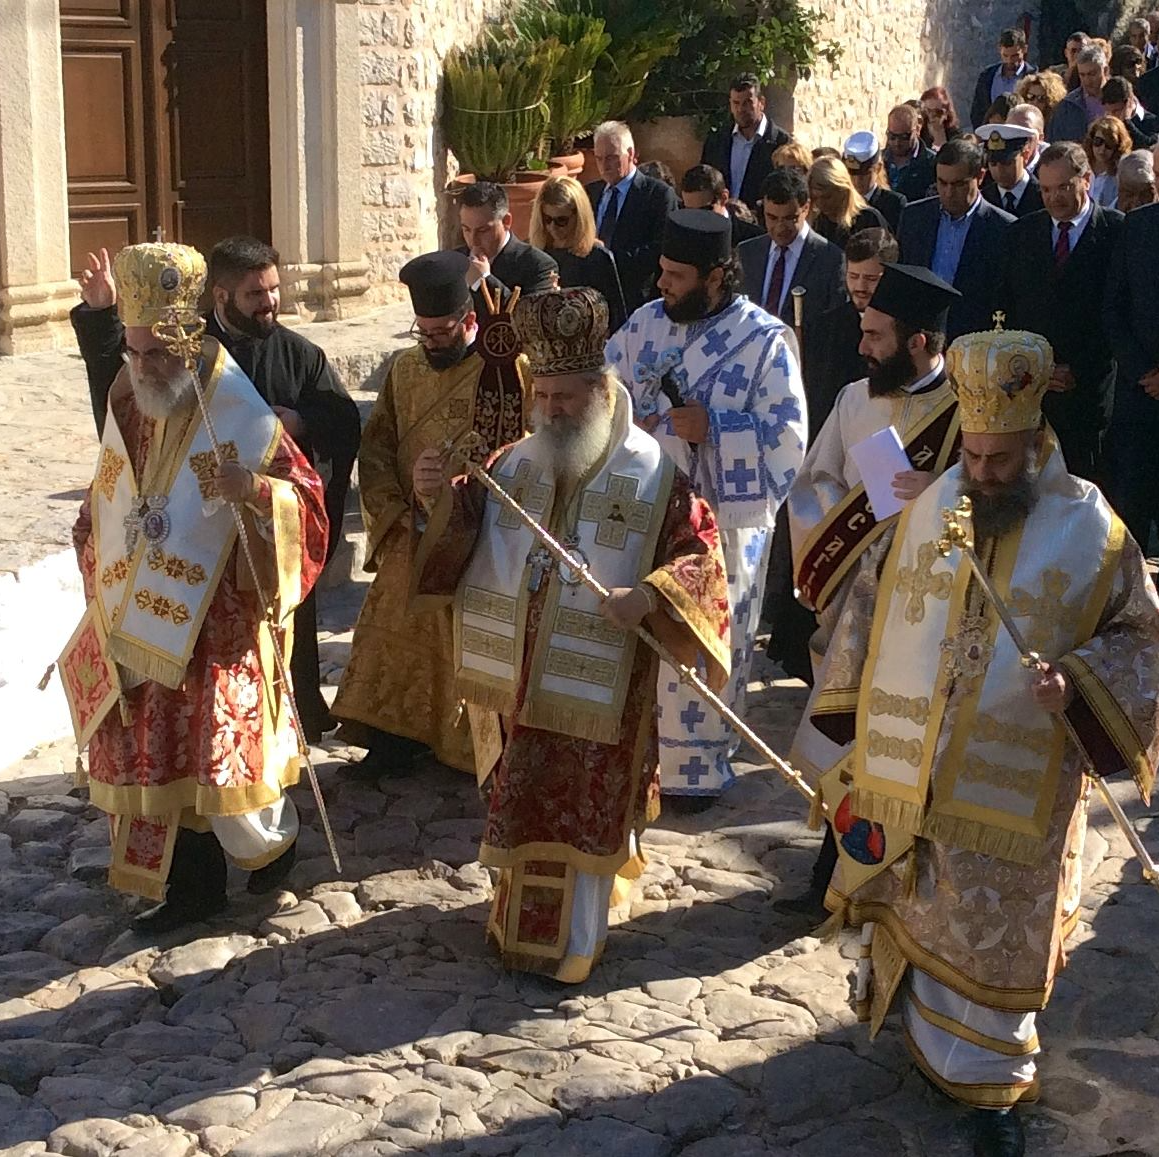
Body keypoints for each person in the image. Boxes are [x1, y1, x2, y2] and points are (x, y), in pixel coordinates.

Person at [808, 324, 1159, 1157]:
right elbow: (870, 599)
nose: (982, 472)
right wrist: (846, 719)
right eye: (971, 454)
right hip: (920, 769)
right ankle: (928, 1043)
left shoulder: (1092, 530)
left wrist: (1074, 682)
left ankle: (993, 1082)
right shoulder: (933, 505)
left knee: (1000, 927)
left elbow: (1140, 637)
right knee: (929, 904)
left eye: (1000, 459)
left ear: (1036, 443)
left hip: (1021, 780)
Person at [410, 286, 731, 982]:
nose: (552, 410)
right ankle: (512, 918)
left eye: (567, 396)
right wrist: (437, 491)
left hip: (598, 689)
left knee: (582, 804)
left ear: (600, 387)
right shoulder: (514, 463)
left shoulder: (650, 473)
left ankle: (574, 940)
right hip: (518, 685)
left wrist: (648, 595)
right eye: (544, 395)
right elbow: (459, 537)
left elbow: (701, 558)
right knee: (519, 797)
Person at [62, 243, 329, 933]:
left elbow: (307, 501)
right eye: (132, 350)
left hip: (217, 622)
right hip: (140, 611)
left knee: (219, 764)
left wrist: (253, 491)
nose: (140, 366)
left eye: (153, 354)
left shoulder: (236, 409)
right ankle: (191, 890)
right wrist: (93, 528)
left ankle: (277, 846)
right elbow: (113, 481)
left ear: (186, 343)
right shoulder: (131, 391)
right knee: (157, 757)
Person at [71, 239, 360, 743]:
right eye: (256, 292)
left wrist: (276, 456)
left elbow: (333, 435)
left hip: (239, 565)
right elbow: (119, 408)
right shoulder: (180, 361)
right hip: (167, 566)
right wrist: (100, 318)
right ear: (222, 297)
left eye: (273, 289)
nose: (269, 301)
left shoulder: (296, 355)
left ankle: (299, 716)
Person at [778, 264, 962, 918]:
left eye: (876, 335)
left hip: (925, 624)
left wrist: (937, 496)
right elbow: (812, 484)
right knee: (846, 745)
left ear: (917, 341)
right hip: (851, 613)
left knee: (909, 758)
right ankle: (830, 874)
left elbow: (998, 506)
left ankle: (902, 885)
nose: (863, 347)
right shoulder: (854, 401)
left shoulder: (967, 411)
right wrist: (854, 518)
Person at [607, 210, 807, 806]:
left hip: (721, 524)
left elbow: (788, 440)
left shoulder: (765, 341)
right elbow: (605, 391)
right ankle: (641, 756)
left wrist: (714, 428)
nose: (662, 285)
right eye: (662, 272)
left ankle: (697, 768)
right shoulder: (643, 327)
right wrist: (624, 422)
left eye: (677, 275)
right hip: (645, 517)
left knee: (700, 638)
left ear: (717, 276)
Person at [331, 251, 531, 777]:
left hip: (477, 532)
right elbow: (376, 449)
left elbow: (524, 447)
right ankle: (393, 737)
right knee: (388, 627)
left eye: (443, 332)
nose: (433, 342)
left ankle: (467, 746)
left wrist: (455, 489)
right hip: (410, 530)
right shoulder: (405, 369)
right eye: (424, 333)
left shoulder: (505, 371)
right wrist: (396, 513)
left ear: (469, 320)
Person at [763, 228, 902, 684]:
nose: (861, 287)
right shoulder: (825, 325)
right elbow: (815, 394)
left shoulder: (899, 331)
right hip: (830, 448)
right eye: (854, 275)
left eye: (872, 277)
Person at [997, 141, 1123, 484]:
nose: (1054, 198)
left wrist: (1077, 369)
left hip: (1088, 397)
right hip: (1030, 395)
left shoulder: (1116, 233)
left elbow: (1117, 314)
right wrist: (1031, 367)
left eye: (1064, 187)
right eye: (1046, 189)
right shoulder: (1022, 233)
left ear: (1087, 180)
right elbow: (1007, 307)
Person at [898, 138, 1015, 341]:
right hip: (919, 337)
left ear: (980, 176)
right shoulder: (913, 217)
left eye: (959, 184)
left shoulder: (1004, 228)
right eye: (942, 183)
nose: (949, 192)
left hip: (975, 341)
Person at [1103, 199, 1159, 547]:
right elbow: (1114, 308)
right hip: (1140, 399)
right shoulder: (1137, 225)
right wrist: (1143, 370)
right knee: (1133, 513)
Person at [585, 121, 680, 314]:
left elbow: (660, 248)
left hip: (636, 302)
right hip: (592, 300)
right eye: (599, 158)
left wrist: (608, 260)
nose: (605, 165)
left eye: (612, 157)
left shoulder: (657, 194)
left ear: (631, 154)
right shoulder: (589, 193)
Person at [738, 169, 847, 329]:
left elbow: (835, 326)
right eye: (772, 218)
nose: (780, 228)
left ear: (806, 208)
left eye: (790, 218)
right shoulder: (747, 253)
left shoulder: (831, 260)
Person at [528, 174, 627, 335]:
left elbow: (616, 318)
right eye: (547, 219)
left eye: (562, 221)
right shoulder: (536, 256)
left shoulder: (597, 258)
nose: (553, 227)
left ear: (579, 216)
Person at [457, 182, 559, 315]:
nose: (473, 240)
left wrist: (484, 280)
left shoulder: (538, 266)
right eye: (466, 230)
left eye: (483, 230)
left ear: (506, 222)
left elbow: (531, 318)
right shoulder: (455, 262)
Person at [699, 72, 791, 216]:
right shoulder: (717, 141)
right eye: (736, 103)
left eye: (747, 103)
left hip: (761, 226)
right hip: (721, 222)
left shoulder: (781, 144)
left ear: (761, 103)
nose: (741, 109)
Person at [807, 156, 889, 250]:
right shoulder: (816, 223)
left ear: (843, 190)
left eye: (827, 197)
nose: (821, 203)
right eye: (815, 198)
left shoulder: (869, 219)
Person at [680, 163, 764, 247]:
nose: (696, 220)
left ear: (724, 198)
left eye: (704, 210)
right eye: (689, 212)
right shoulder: (680, 237)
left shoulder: (753, 240)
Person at [971, 28, 1035, 130]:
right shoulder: (987, 76)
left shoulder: (1033, 77)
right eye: (1005, 55)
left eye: (1015, 56)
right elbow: (978, 110)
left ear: (1024, 49)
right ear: (999, 49)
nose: (1010, 61)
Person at [843, 131, 907, 233]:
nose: (857, 180)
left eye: (865, 174)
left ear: (878, 168)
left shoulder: (893, 203)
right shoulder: (842, 201)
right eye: (852, 173)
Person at [1047, 44, 1110, 142]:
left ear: (1105, 71)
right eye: (1082, 75)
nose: (1087, 81)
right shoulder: (1067, 106)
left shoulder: (1121, 99)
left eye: (1092, 74)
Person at [980, 123, 1044, 216]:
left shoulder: (1043, 196)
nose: (999, 170)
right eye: (993, 164)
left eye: (1007, 163)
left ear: (1025, 155)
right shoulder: (984, 198)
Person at [885, 104, 937, 201]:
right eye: (892, 136)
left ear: (917, 130)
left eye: (904, 137)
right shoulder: (879, 163)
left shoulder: (932, 164)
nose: (897, 143)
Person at [1083, 114, 1132, 207]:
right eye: (1098, 141)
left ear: (1118, 147)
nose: (1102, 150)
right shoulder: (1080, 167)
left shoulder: (1121, 175)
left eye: (1109, 145)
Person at [1101, 77, 1159, 148]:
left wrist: (1127, 122)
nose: (1111, 116)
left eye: (1116, 111)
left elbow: (1150, 146)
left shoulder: (1152, 121)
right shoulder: (1105, 122)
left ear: (1129, 103)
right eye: (1108, 111)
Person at [1015, 70, 1068, 134]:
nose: (1035, 102)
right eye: (1031, 96)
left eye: (1041, 98)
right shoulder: (1018, 122)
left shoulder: (1058, 125)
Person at [1006, 102, 1049, 172]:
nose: (1016, 137)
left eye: (1025, 132)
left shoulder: (1051, 172)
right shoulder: (995, 166)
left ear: (1040, 138)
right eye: (1011, 130)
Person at [919, 86, 963, 151]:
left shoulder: (955, 137)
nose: (931, 116)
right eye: (927, 111)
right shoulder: (919, 131)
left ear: (946, 113)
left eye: (937, 112)